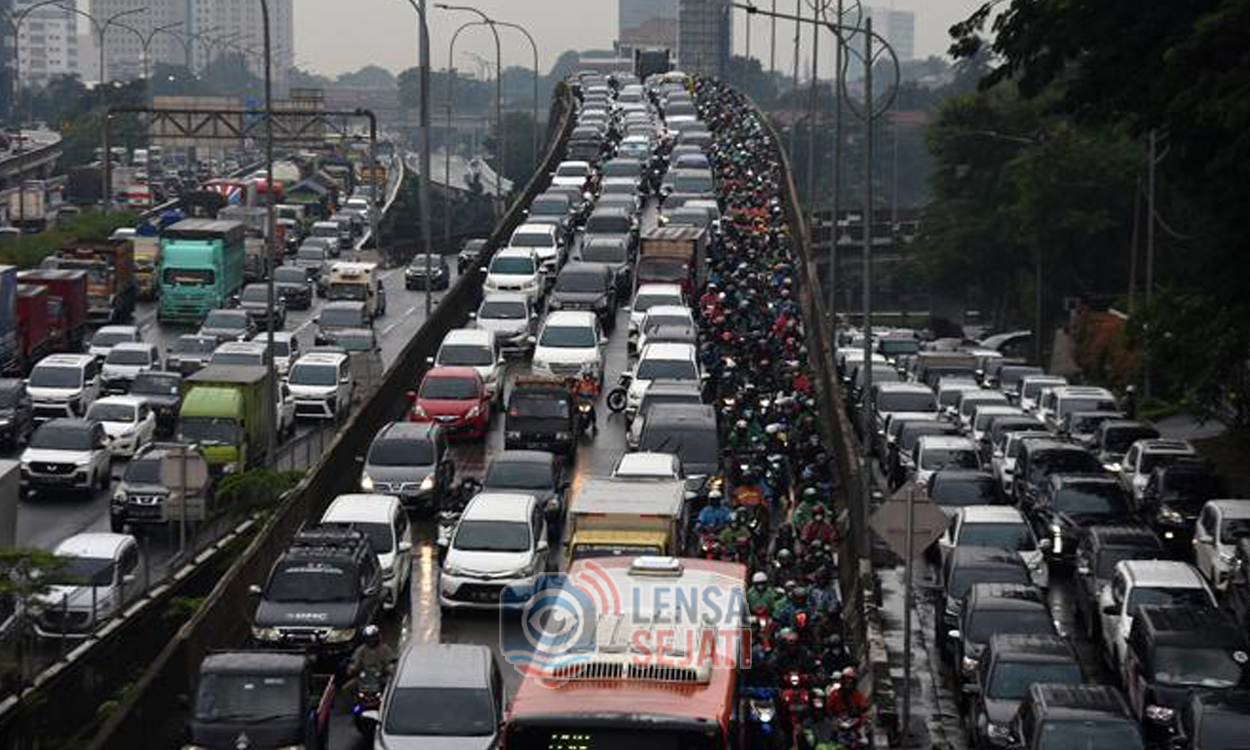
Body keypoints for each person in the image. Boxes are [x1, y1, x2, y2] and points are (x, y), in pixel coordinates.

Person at [346, 624, 394, 689]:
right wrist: (352, 668)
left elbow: (391, 661)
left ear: (377, 637)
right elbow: (355, 660)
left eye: (373, 637)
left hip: (380, 677)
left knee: (390, 687)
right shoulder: (361, 650)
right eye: (369, 638)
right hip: (364, 677)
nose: (371, 640)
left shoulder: (385, 649)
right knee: (346, 688)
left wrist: (390, 668)